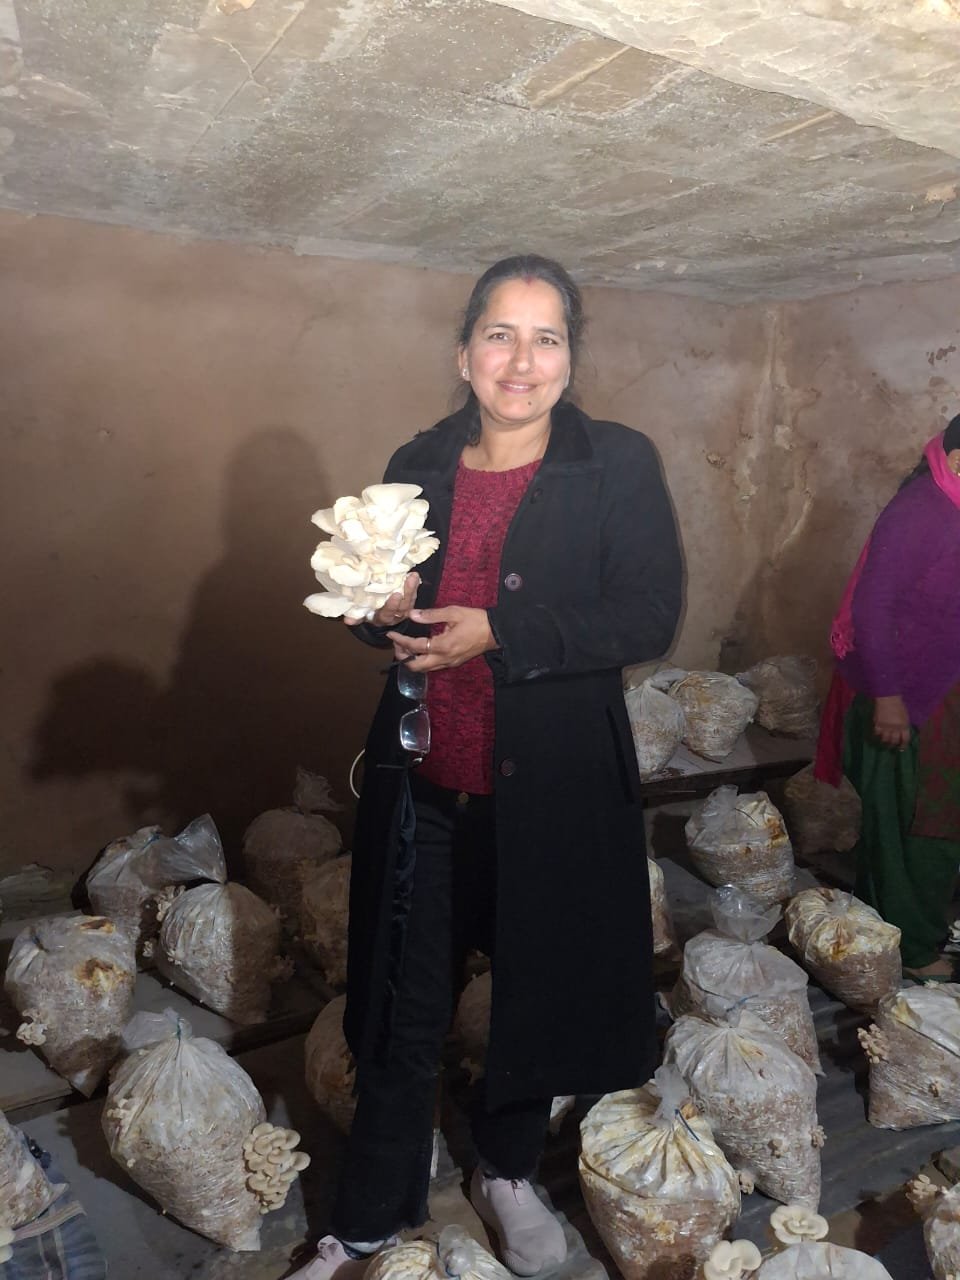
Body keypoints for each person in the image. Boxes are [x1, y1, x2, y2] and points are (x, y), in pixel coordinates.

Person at [290, 255, 683, 1280]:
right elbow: (385, 607)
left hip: (551, 793)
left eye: (546, 338)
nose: (521, 360)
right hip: (425, 786)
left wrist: (501, 631)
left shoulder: (616, 463)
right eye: (500, 334)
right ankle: (368, 1214)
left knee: (532, 991)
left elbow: (649, 614)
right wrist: (378, 615)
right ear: (464, 353)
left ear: (570, 358)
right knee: (402, 1003)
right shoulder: (418, 459)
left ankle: (504, 1171)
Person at [815, 414, 960, 982]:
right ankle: (915, 950)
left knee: (918, 823)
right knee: (916, 829)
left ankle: (889, 933)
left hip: (938, 691)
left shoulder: (951, 508)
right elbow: (872, 608)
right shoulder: (922, 511)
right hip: (904, 696)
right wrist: (890, 699)